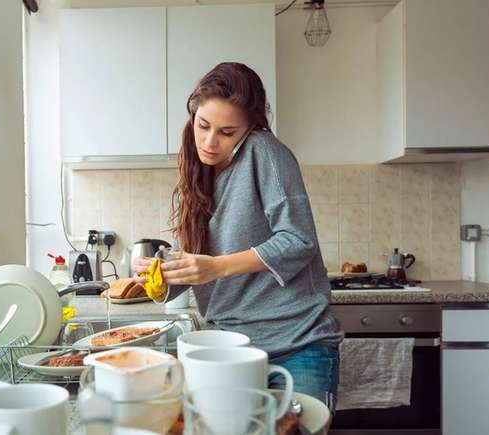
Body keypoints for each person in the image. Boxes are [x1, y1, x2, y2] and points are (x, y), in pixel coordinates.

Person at [133, 62, 343, 409]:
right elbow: (201, 263)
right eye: (203, 126)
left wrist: (217, 267)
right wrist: (163, 274)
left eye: (227, 132)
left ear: (249, 129)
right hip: (228, 350)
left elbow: (298, 239)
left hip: (297, 346)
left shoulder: (265, 152)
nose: (210, 141)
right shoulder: (193, 180)